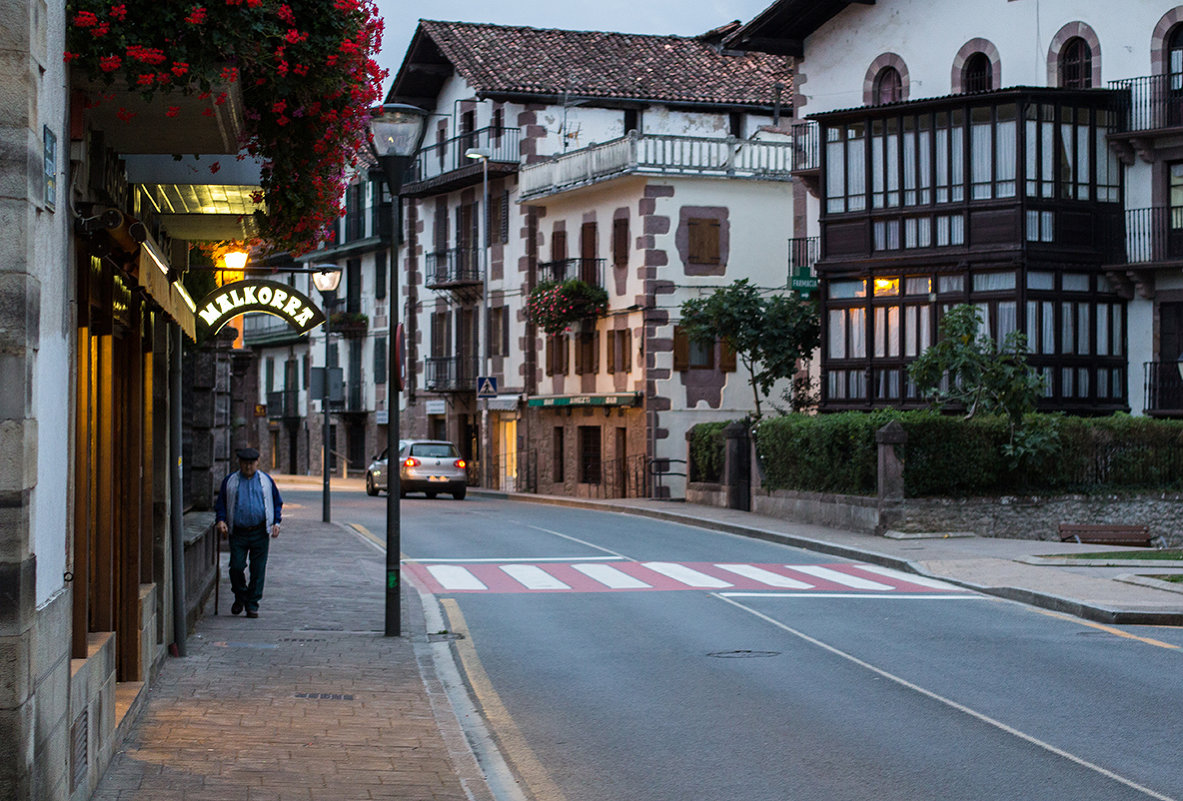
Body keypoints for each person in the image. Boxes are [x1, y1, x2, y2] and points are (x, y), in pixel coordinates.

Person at [214, 447, 283, 618]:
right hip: (238, 532)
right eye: (245, 463)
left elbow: (276, 502)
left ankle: (252, 604)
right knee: (236, 567)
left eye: (251, 464)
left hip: (260, 531)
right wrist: (221, 520)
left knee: (258, 570)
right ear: (239, 463)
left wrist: (276, 522)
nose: (248, 467)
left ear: (257, 463)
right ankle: (241, 595)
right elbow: (221, 503)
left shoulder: (266, 481)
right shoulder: (230, 481)